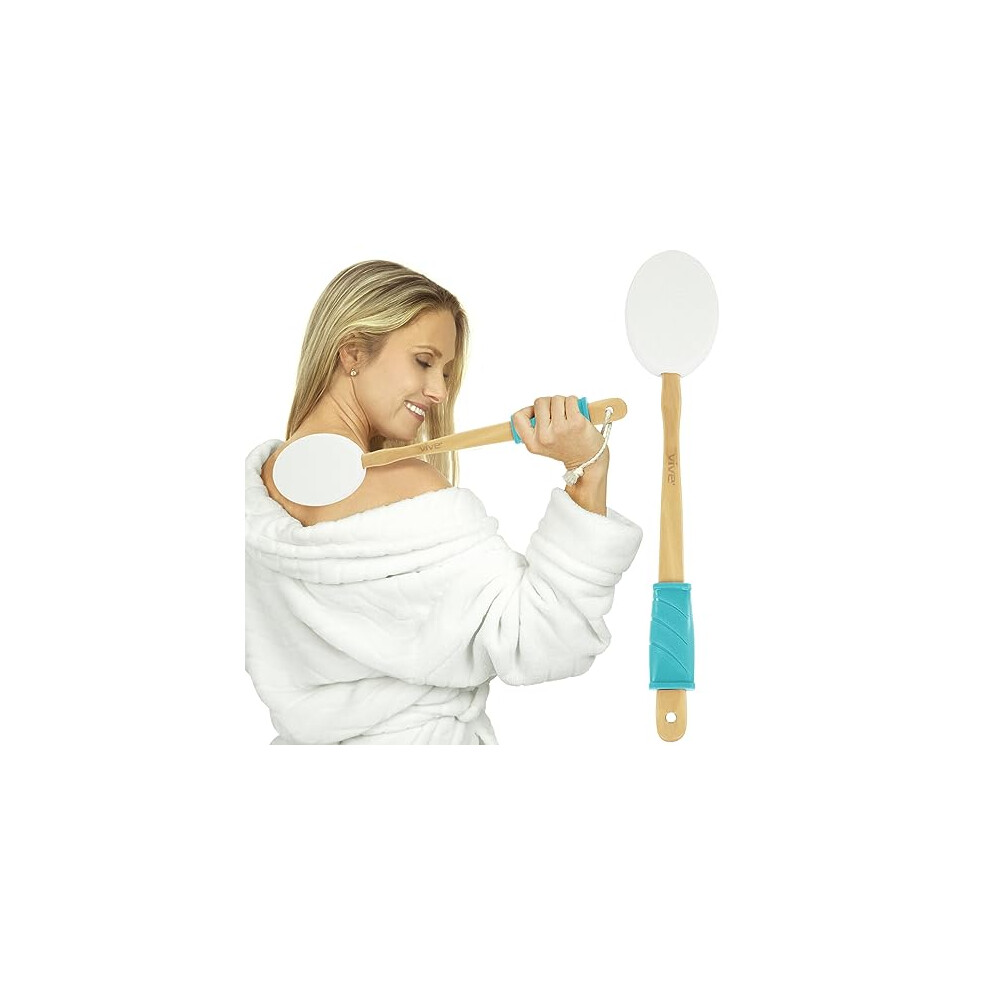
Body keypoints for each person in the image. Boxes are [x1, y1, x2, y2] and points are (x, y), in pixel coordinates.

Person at [245, 260, 644, 744]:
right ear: (351, 352)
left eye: (447, 371)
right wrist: (588, 468)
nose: (438, 391)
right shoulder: (408, 486)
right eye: (423, 361)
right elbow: (547, 638)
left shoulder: (259, 489)